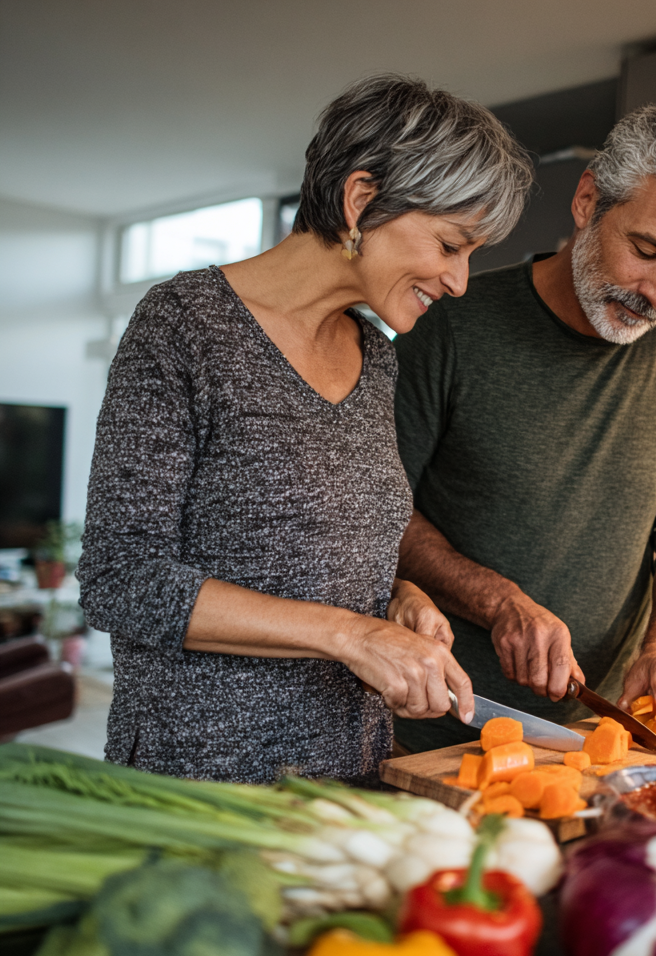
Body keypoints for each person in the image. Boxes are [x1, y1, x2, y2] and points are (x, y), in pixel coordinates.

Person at [77, 74, 533, 784]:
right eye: (451, 244)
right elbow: (121, 579)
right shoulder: (184, 327)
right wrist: (352, 634)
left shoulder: (376, 356)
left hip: (350, 776)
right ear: (360, 200)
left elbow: (318, 552)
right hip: (202, 786)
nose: (459, 281)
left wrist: (397, 601)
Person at [391, 99, 656, 753]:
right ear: (588, 199)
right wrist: (499, 601)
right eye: (647, 251)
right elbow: (378, 511)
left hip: (601, 731)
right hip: (441, 723)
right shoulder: (450, 322)